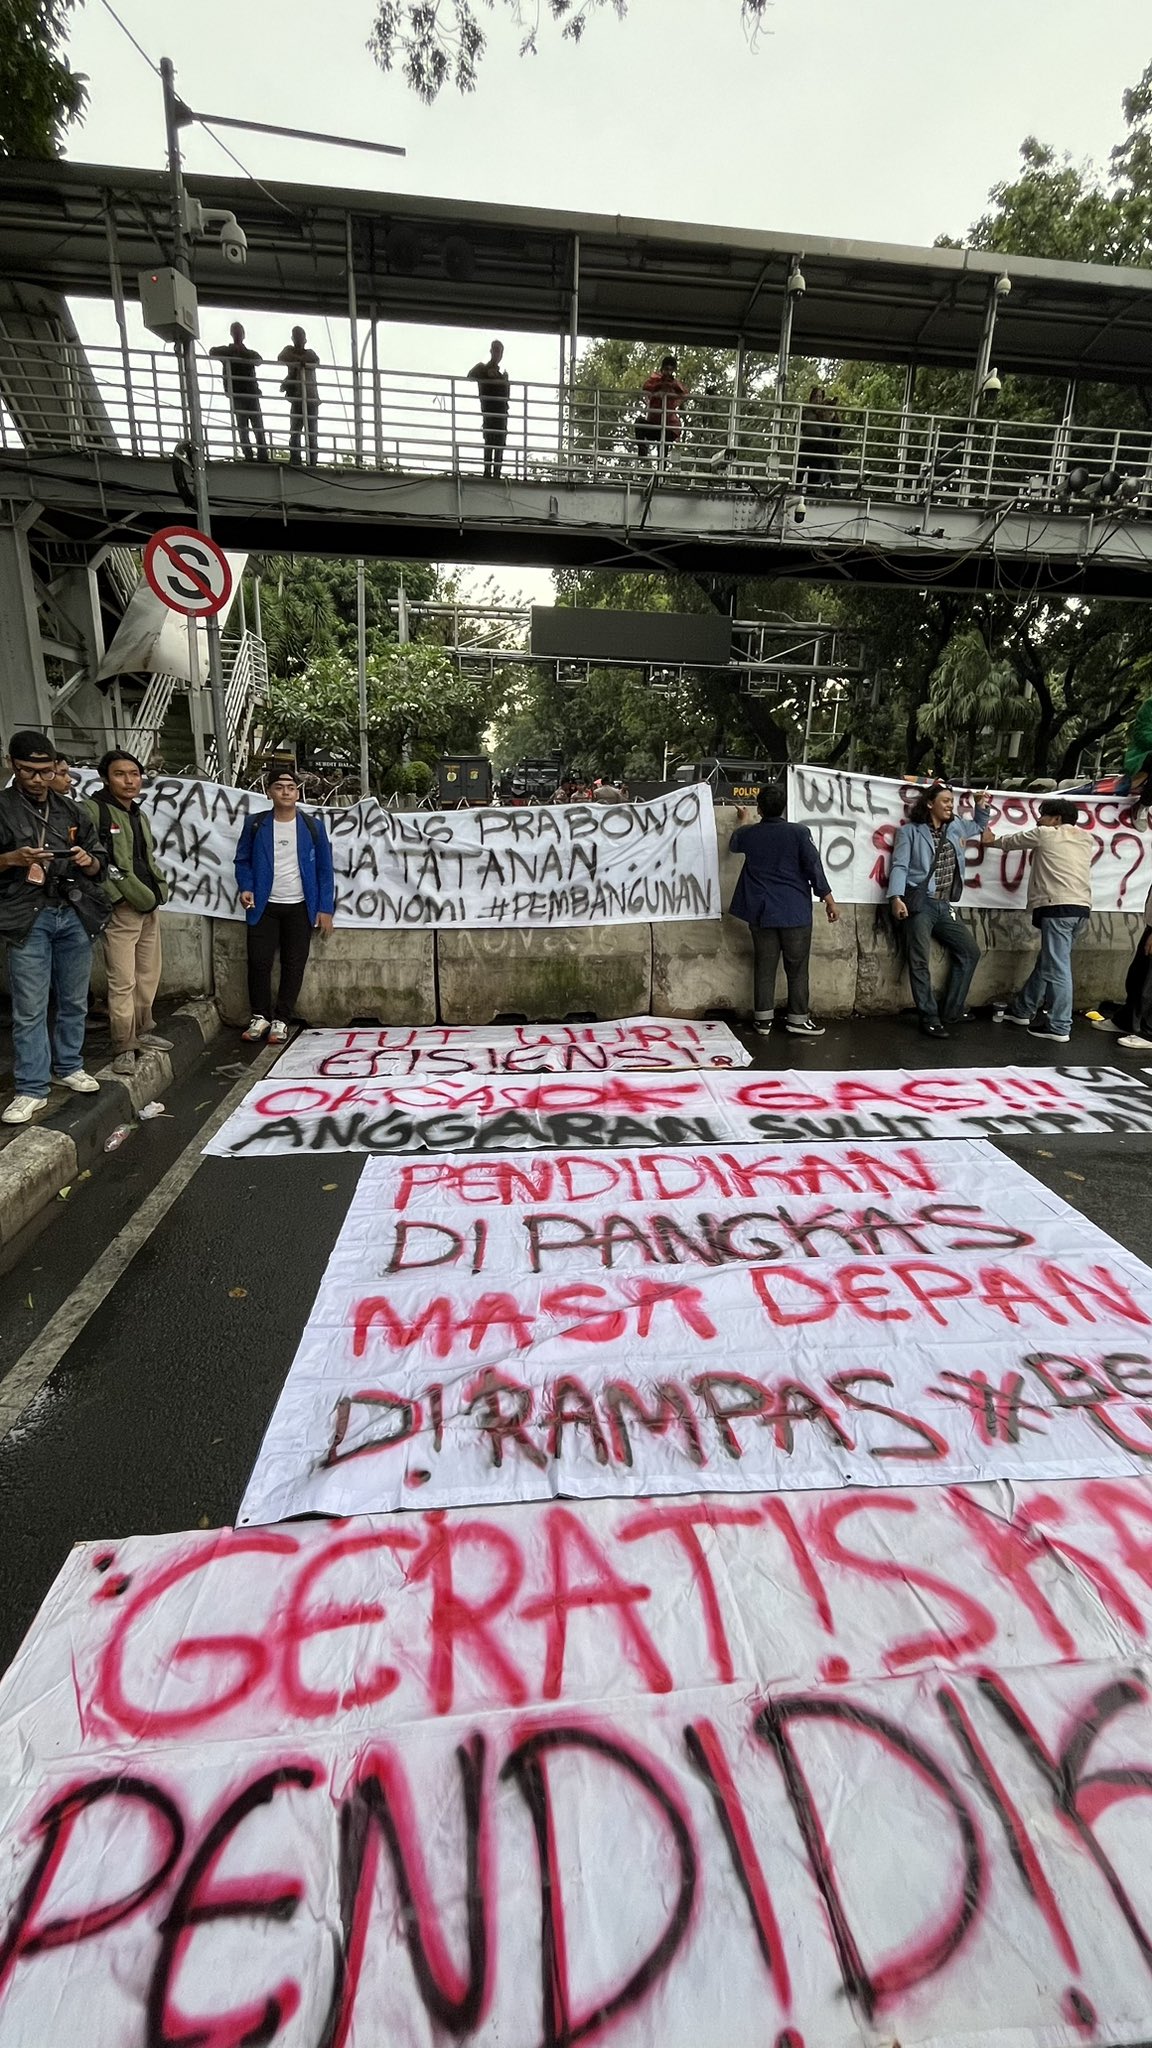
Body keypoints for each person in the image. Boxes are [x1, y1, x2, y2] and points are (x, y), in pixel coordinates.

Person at [0, 729, 107, 1124]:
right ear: (13, 765)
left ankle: (69, 1065)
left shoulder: (70, 809)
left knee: (75, 999)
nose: (39, 779)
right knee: (29, 1006)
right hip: (26, 915)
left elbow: (100, 861)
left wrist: (85, 860)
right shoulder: (3, 807)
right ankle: (31, 1086)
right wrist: (13, 858)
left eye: (46, 771)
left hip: (72, 909)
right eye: (29, 771)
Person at [83, 750, 171, 1075]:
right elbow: (93, 860)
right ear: (106, 778)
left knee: (148, 973)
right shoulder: (94, 811)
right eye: (121, 774)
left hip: (148, 902)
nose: (130, 780)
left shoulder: (137, 813)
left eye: (134, 774)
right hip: (122, 908)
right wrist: (117, 897)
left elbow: (146, 856)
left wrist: (157, 889)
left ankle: (144, 1030)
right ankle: (123, 1044)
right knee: (122, 979)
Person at [234, 766, 335, 1044]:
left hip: (300, 907)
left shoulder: (313, 827)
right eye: (279, 787)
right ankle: (260, 1016)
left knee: (294, 964)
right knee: (259, 961)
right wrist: (246, 887)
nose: (286, 791)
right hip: (264, 906)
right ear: (269, 792)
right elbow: (242, 861)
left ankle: (282, 1019)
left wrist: (325, 908)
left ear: (298, 793)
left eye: (291, 787)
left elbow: (325, 870)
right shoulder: (255, 824)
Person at [729, 783, 839, 1037]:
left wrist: (743, 820)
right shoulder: (800, 832)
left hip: (761, 911)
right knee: (797, 967)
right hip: (794, 911)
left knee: (764, 965)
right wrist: (828, 899)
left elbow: (734, 844)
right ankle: (797, 1019)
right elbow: (814, 867)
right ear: (784, 808)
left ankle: (763, 1020)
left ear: (759, 808)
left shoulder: (750, 834)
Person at [982, 797, 1092, 1044]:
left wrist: (991, 840)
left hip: (1057, 908)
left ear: (1056, 819)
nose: (1038, 819)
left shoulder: (1046, 834)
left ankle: (1059, 1026)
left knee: (1057, 967)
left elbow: (1013, 841)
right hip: (1081, 909)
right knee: (1050, 962)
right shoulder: (1086, 839)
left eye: (1043, 816)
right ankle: (1023, 1010)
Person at [888, 781, 991, 1038]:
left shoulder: (955, 826)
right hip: (920, 903)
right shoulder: (910, 832)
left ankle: (951, 1011)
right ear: (929, 804)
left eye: (951, 801)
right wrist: (896, 897)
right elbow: (900, 865)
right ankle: (929, 1016)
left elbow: (979, 826)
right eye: (945, 801)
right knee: (919, 959)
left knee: (970, 952)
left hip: (944, 904)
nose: (950, 805)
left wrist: (981, 806)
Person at [209, 322, 268, 463]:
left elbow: (259, 360)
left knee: (257, 427)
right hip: (238, 395)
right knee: (243, 428)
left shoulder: (249, 353)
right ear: (232, 334)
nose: (237, 335)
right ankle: (248, 455)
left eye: (239, 332)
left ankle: (262, 456)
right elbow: (212, 351)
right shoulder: (227, 350)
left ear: (243, 335)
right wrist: (232, 352)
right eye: (235, 332)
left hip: (251, 394)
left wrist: (242, 353)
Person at [278, 327, 321, 467]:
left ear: (305, 339)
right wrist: (299, 362)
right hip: (297, 398)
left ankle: (312, 461)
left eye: (300, 337)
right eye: (296, 337)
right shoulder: (289, 350)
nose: (298, 340)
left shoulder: (310, 353)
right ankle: (296, 459)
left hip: (311, 399)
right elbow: (282, 357)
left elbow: (314, 360)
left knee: (311, 433)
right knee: (295, 431)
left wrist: (298, 362)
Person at [467, 340, 510, 480]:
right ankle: (487, 472)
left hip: (501, 414)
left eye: (500, 352)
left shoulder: (501, 374)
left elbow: (506, 395)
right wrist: (486, 372)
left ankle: (496, 473)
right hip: (490, 413)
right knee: (490, 441)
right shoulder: (483, 369)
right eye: (496, 351)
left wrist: (503, 380)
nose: (498, 354)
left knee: (499, 444)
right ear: (491, 351)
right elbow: (470, 375)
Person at [636, 356, 688, 464]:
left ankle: (661, 473)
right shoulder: (655, 381)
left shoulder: (675, 384)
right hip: (654, 424)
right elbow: (646, 387)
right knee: (639, 422)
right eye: (666, 369)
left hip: (669, 426)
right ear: (662, 369)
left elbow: (684, 393)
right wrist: (657, 391)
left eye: (670, 370)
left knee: (663, 447)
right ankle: (643, 450)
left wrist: (671, 392)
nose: (668, 373)